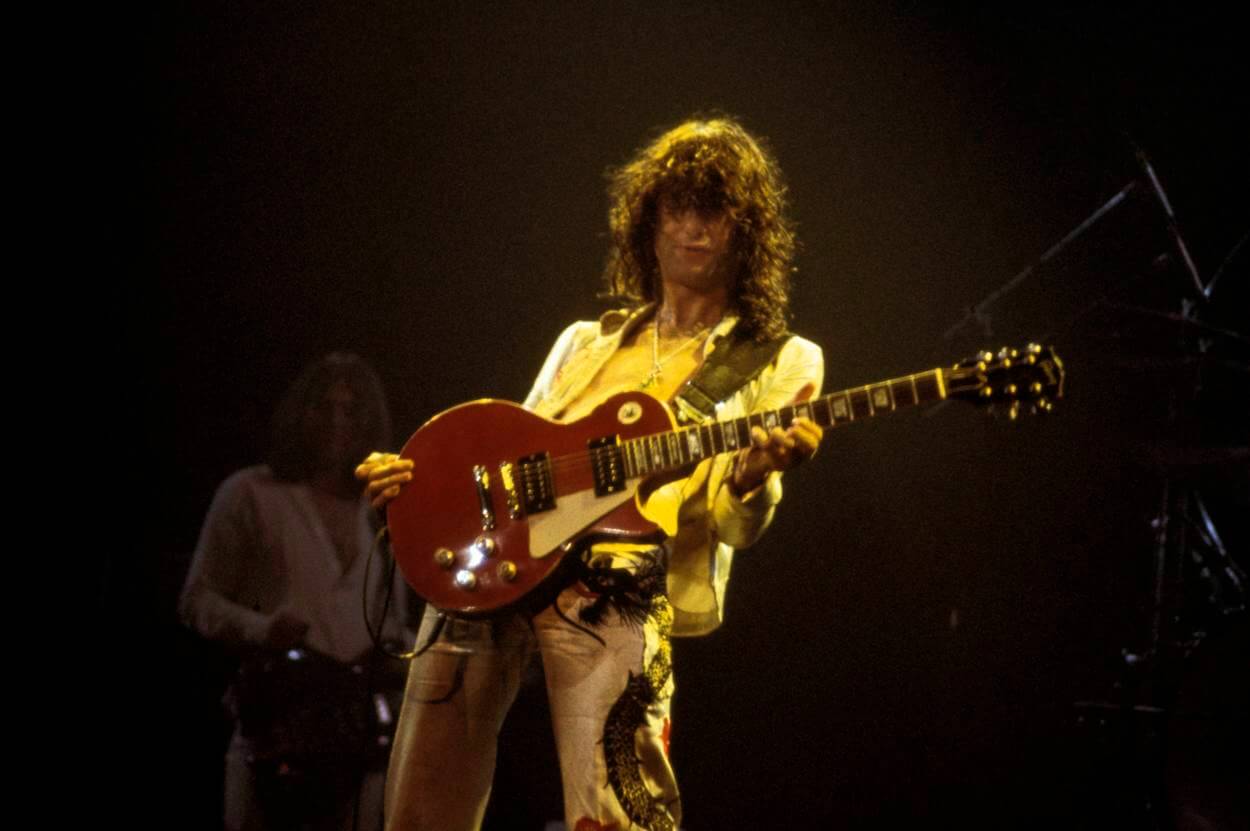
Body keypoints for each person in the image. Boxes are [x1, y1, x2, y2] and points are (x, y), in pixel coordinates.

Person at [358, 117, 825, 831]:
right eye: (678, 206)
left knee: (616, 809)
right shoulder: (586, 340)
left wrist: (755, 474)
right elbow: (512, 453)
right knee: (423, 796)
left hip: (618, 577)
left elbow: (733, 525)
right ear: (649, 221)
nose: (694, 227)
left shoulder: (783, 358)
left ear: (747, 230)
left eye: (715, 209)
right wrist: (420, 487)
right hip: (497, 564)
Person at [181, 353, 413, 831]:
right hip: (275, 728)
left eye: (352, 410)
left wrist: (410, 652)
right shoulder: (252, 492)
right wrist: (264, 629)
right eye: (323, 407)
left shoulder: (383, 512)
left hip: (359, 738)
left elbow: (391, 622)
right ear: (298, 413)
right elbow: (196, 599)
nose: (337, 421)